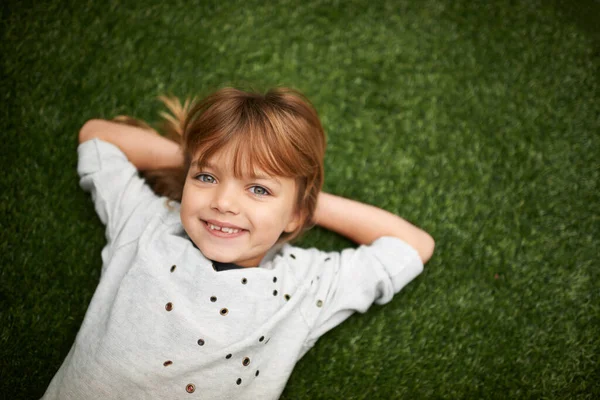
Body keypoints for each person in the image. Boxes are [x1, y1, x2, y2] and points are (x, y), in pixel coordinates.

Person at [41, 87, 435, 399]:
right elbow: (97, 138)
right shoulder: (146, 224)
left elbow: (412, 244)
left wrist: (304, 198)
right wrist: (201, 157)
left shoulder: (306, 285)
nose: (224, 203)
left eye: (259, 189)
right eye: (207, 178)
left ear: (297, 216)